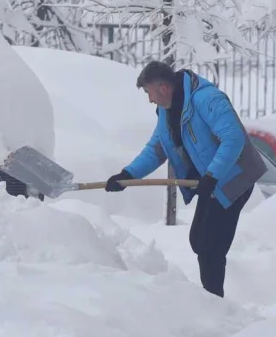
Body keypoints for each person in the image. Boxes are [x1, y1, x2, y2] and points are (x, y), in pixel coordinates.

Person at [105, 60, 267, 298]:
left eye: (149, 92)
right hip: (211, 180)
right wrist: (127, 175)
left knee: (210, 247)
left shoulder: (207, 99)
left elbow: (233, 139)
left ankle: (214, 303)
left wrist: (213, 175)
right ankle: (212, 300)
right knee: (199, 241)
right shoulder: (166, 111)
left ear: (162, 88)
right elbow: (157, 148)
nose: (149, 99)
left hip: (235, 177)